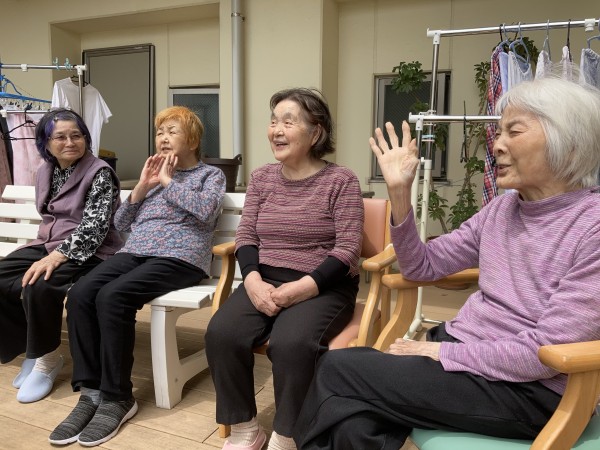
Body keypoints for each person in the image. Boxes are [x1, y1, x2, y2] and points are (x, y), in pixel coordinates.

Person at [292, 76, 600, 449]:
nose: (497, 145)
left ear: (570, 146)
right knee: (356, 419)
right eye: (499, 132)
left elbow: (545, 355)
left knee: (339, 369)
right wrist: (400, 194)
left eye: (514, 132)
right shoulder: (502, 209)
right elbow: (422, 267)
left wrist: (439, 352)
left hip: (531, 390)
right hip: (467, 356)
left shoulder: (592, 227)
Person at [49, 106, 226, 447]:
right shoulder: (153, 176)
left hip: (180, 258)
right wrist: (143, 187)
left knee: (113, 297)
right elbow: (120, 224)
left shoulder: (210, 175)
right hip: (134, 253)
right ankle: (91, 391)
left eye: (172, 131)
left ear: (192, 140)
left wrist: (167, 181)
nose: (163, 138)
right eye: (160, 132)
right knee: (82, 292)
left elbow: (205, 212)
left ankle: (117, 397)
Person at [205, 88, 364, 450]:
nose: (276, 130)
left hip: (324, 284)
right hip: (264, 277)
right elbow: (246, 236)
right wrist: (252, 280)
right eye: (273, 121)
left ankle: (288, 434)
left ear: (316, 132)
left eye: (288, 122)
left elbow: (348, 250)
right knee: (221, 333)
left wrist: (305, 287)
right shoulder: (262, 178)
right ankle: (245, 429)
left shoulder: (341, 181)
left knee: (292, 344)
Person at [0, 108, 122, 404]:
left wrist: (56, 257)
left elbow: (94, 229)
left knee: (39, 284)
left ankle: (48, 358)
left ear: (86, 139)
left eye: (76, 136)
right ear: (46, 143)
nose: (70, 142)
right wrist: (47, 252)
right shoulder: (45, 170)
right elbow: (49, 217)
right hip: (48, 242)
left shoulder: (100, 173)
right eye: (61, 137)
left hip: (93, 249)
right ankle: (31, 348)